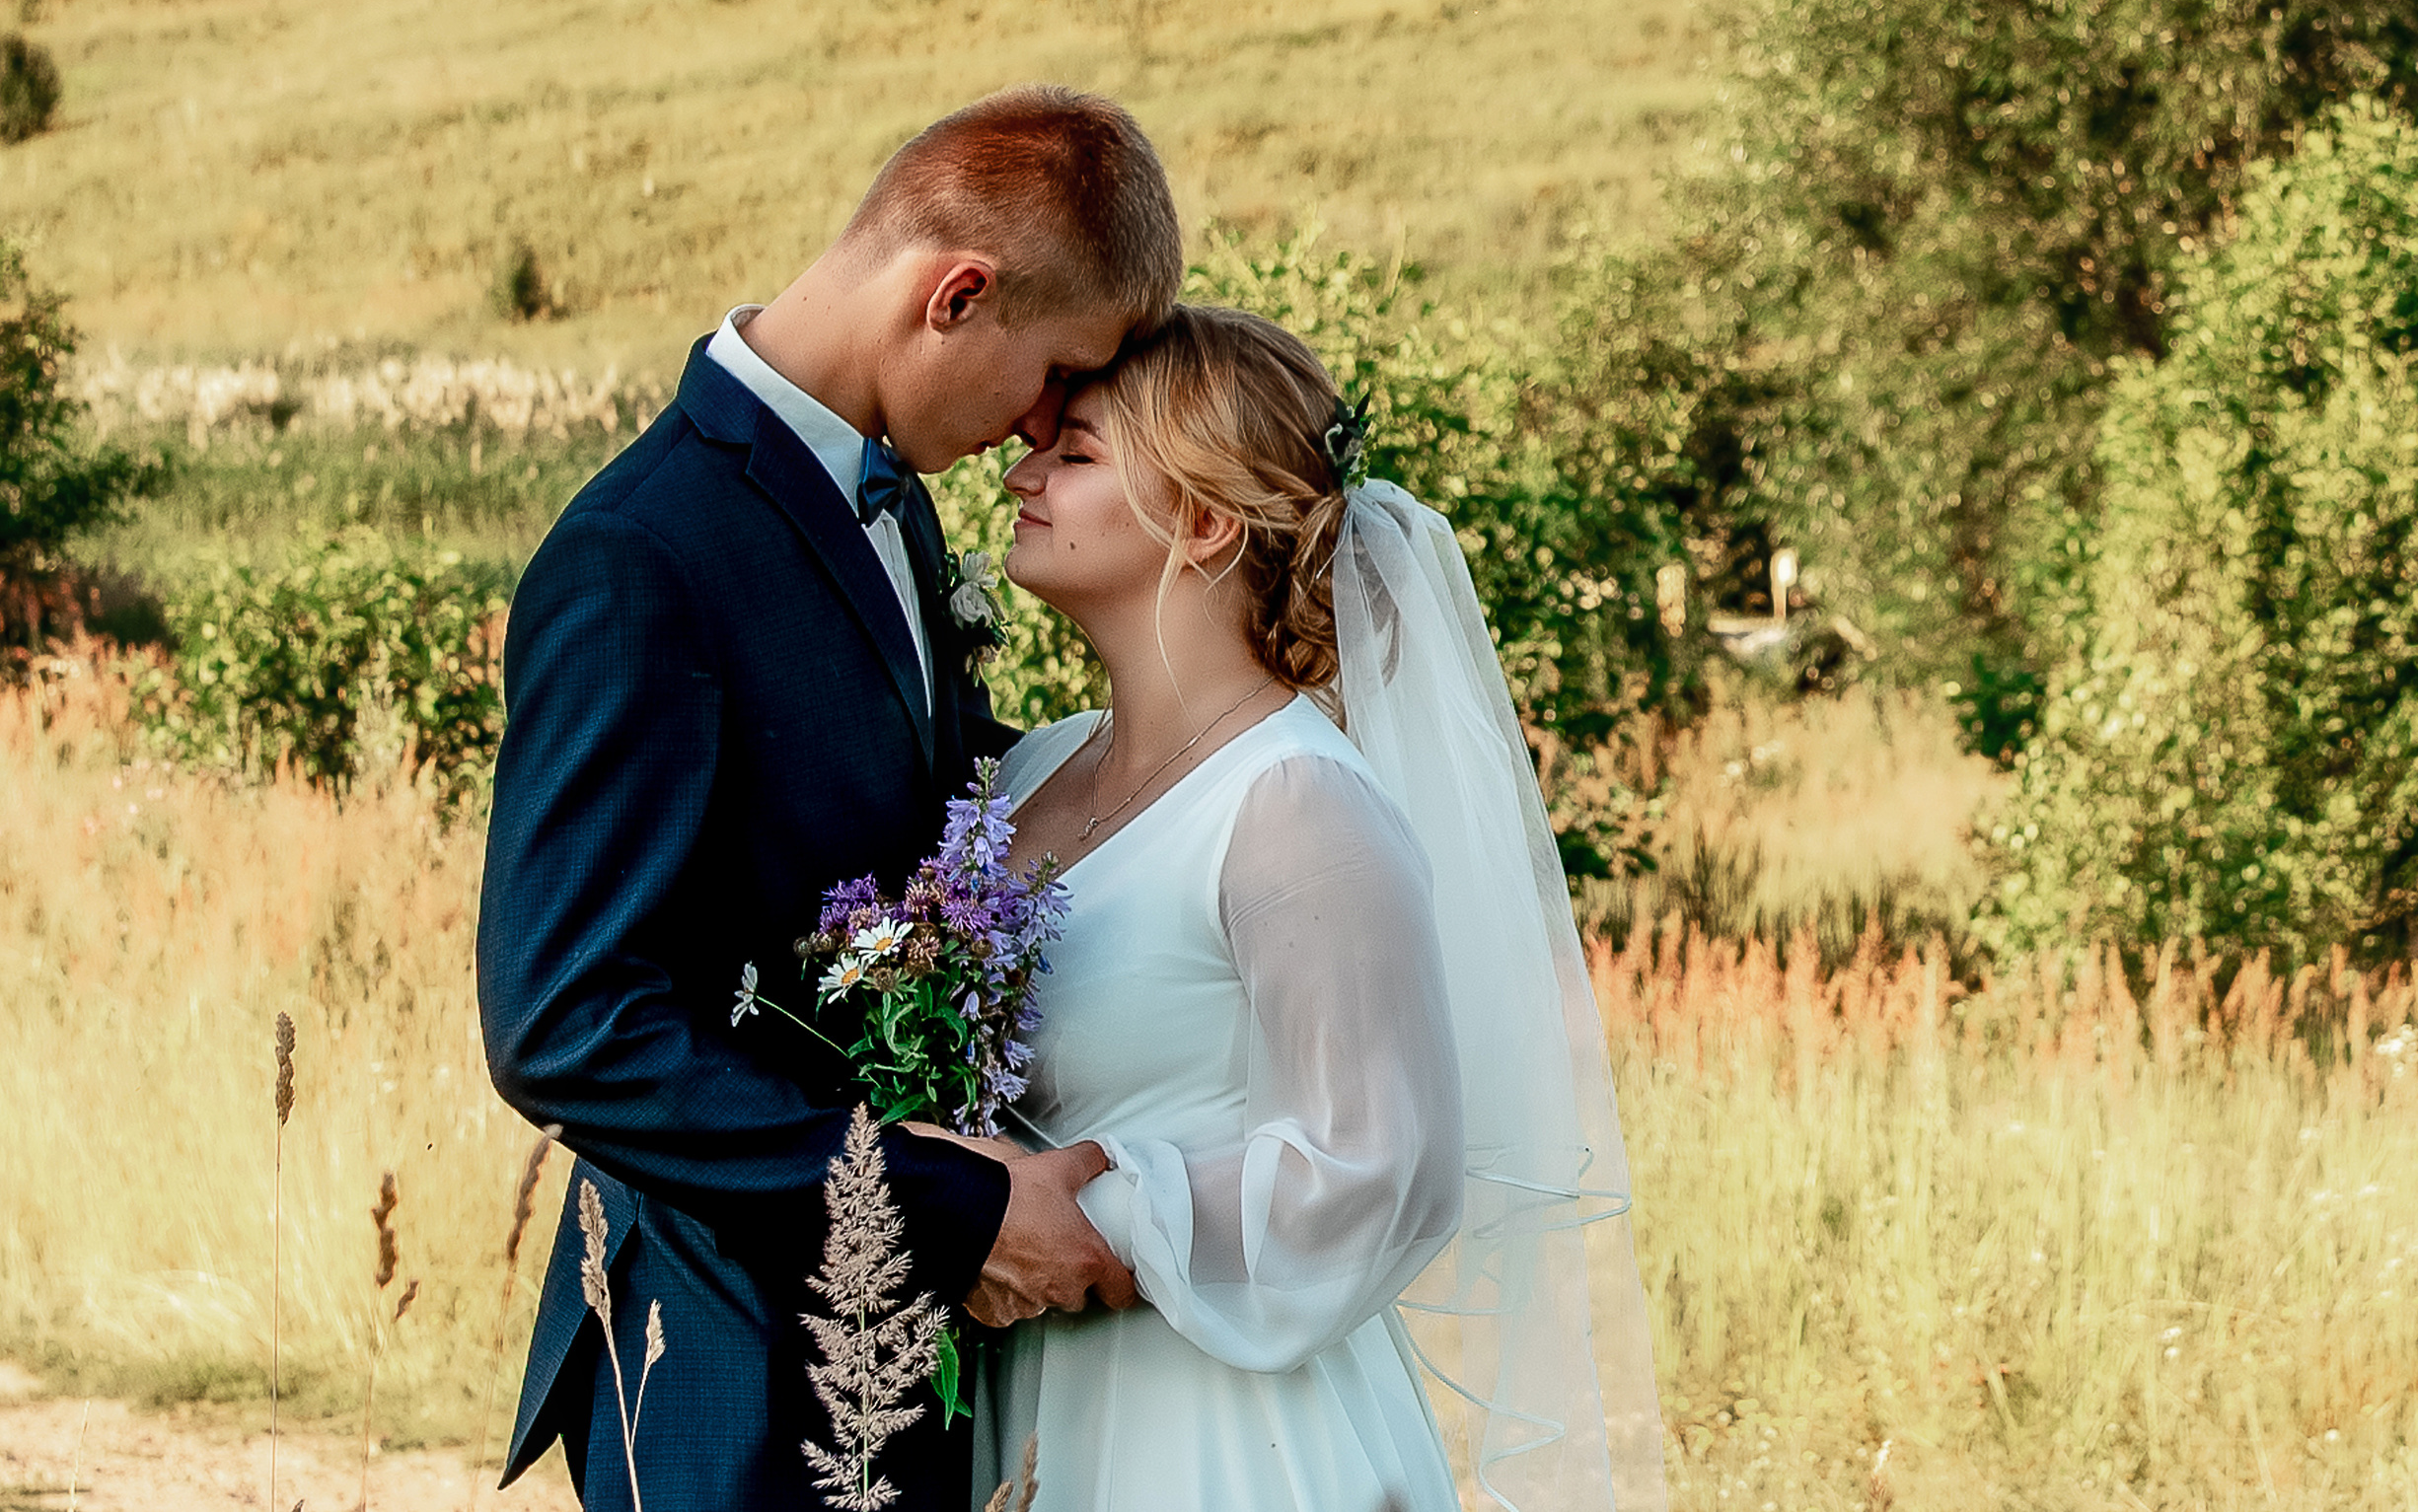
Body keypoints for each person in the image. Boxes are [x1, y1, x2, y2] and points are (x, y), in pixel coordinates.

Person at [475, 85, 1180, 1511]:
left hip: (891, 1352)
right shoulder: (641, 556)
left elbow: (901, 867)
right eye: (1058, 371)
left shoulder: (892, 497)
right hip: (726, 1363)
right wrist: (957, 1209)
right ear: (959, 294)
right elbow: (565, 1020)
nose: (1049, 423)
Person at [971, 307, 1668, 1511]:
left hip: (1222, 1431)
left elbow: (1379, 1165)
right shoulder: (1028, 774)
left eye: (1075, 454)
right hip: (1021, 1405)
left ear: (1201, 520)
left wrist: (1083, 1218)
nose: (1019, 472)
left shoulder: (1296, 806)